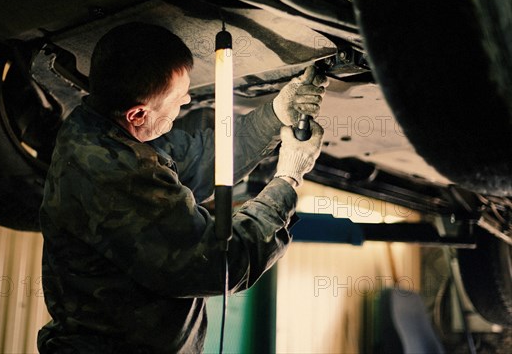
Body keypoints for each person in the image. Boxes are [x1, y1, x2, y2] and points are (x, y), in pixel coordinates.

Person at [37, 22, 327, 353]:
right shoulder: (113, 175)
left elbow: (198, 160)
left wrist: (274, 116)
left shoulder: (100, 128)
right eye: (178, 97)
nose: (188, 99)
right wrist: (288, 179)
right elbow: (218, 264)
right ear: (138, 114)